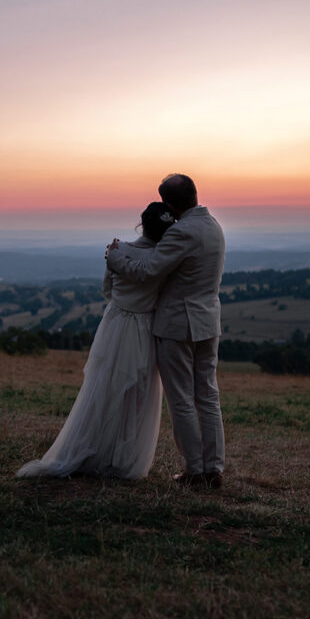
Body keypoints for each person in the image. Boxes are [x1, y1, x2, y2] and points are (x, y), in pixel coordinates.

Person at [17, 202, 176, 480]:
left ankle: (90, 448)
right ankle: (124, 458)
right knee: (138, 392)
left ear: (142, 223)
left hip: (115, 324)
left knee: (103, 387)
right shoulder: (164, 258)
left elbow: (107, 290)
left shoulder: (118, 250)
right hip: (144, 328)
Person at [105, 173, 226, 488]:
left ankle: (194, 471)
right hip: (209, 321)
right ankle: (214, 468)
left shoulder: (181, 233)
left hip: (177, 324)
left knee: (182, 399)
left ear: (170, 204)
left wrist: (114, 259)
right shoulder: (214, 226)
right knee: (209, 395)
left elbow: (147, 272)